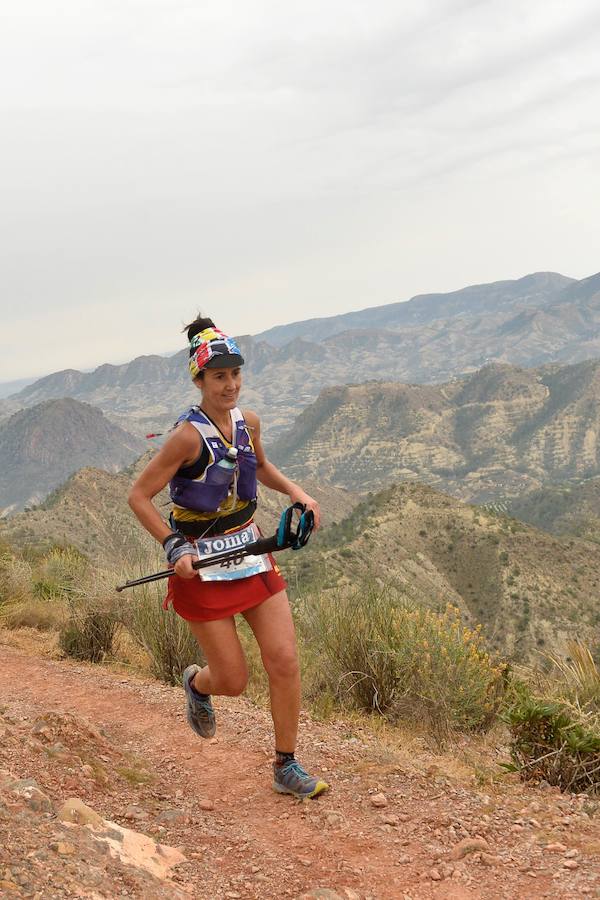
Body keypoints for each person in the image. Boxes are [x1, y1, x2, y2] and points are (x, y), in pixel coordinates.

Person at [128, 316, 329, 800]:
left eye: (235, 374)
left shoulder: (249, 421)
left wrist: (298, 493)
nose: (230, 384)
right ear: (199, 381)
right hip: (200, 565)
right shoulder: (185, 438)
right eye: (219, 377)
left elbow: (258, 465)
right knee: (234, 681)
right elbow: (139, 496)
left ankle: (286, 764)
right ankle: (198, 684)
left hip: (252, 550)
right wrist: (172, 545)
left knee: (284, 660)